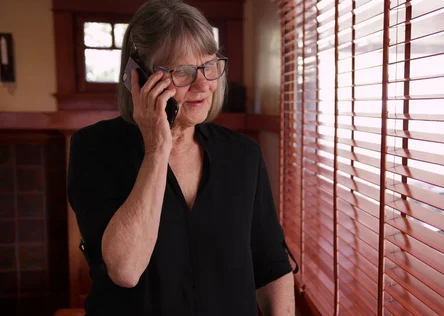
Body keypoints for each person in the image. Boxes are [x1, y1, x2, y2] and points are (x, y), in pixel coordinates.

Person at [67, 0, 296, 315]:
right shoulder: (93, 148)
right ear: (139, 77)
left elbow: (271, 265)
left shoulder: (243, 156)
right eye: (183, 72)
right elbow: (125, 269)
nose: (204, 84)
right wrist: (157, 147)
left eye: (210, 66)